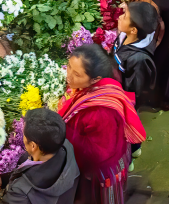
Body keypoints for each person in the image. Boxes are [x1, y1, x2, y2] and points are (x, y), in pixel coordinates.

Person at [59, 44, 146, 204]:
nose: (69, 76)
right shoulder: (98, 85)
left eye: (77, 74)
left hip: (100, 173)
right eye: (69, 66)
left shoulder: (100, 113)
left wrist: (62, 131)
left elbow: (98, 154)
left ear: (95, 79)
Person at [0, 108, 80, 204]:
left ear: (33, 146)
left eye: (24, 134)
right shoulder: (63, 145)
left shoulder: (23, 192)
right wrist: (3, 179)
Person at [113, 1, 159, 108]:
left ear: (133, 30)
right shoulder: (125, 35)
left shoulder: (138, 59)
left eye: (125, 16)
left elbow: (136, 90)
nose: (120, 17)